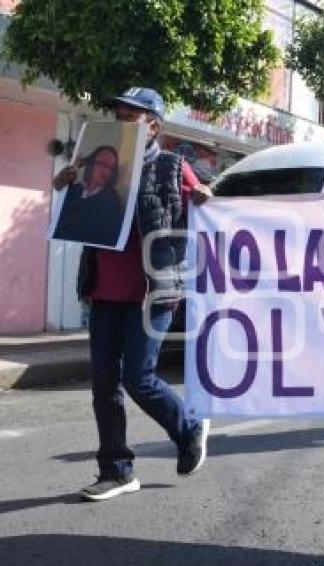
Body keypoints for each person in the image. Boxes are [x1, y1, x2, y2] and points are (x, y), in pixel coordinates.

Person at [52, 87, 214, 501]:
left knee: (138, 378)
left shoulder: (174, 167)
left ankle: (188, 427)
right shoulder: (96, 162)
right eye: (120, 111)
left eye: (134, 114)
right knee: (104, 385)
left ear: (154, 124)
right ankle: (117, 471)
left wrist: (202, 199)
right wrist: (67, 183)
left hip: (152, 292)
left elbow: (207, 210)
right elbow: (82, 213)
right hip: (104, 291)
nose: (123, 118)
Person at [53, 145, 123, 247]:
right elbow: (58, 185)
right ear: (91, 163)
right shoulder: (76, 188)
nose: (107, 171)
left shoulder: (111, 199)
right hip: (59, 243)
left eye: (111, 168)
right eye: (102, 164)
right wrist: (76, 167)